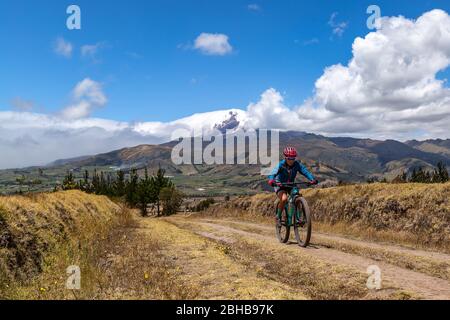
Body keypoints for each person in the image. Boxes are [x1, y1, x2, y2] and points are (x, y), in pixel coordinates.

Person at [268, 146, 318, 219]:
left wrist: (312, 179)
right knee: (284, 199)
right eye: (289, 158)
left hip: (290, 184)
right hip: (280, 185)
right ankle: (278, 215)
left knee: (297, 195)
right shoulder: (280, 165)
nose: (291, 160)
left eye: (293, 158)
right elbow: (273, 173)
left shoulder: (296, 164)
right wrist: (271, 180)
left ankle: (298, 217)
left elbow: (305, 171)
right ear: (285, 157)